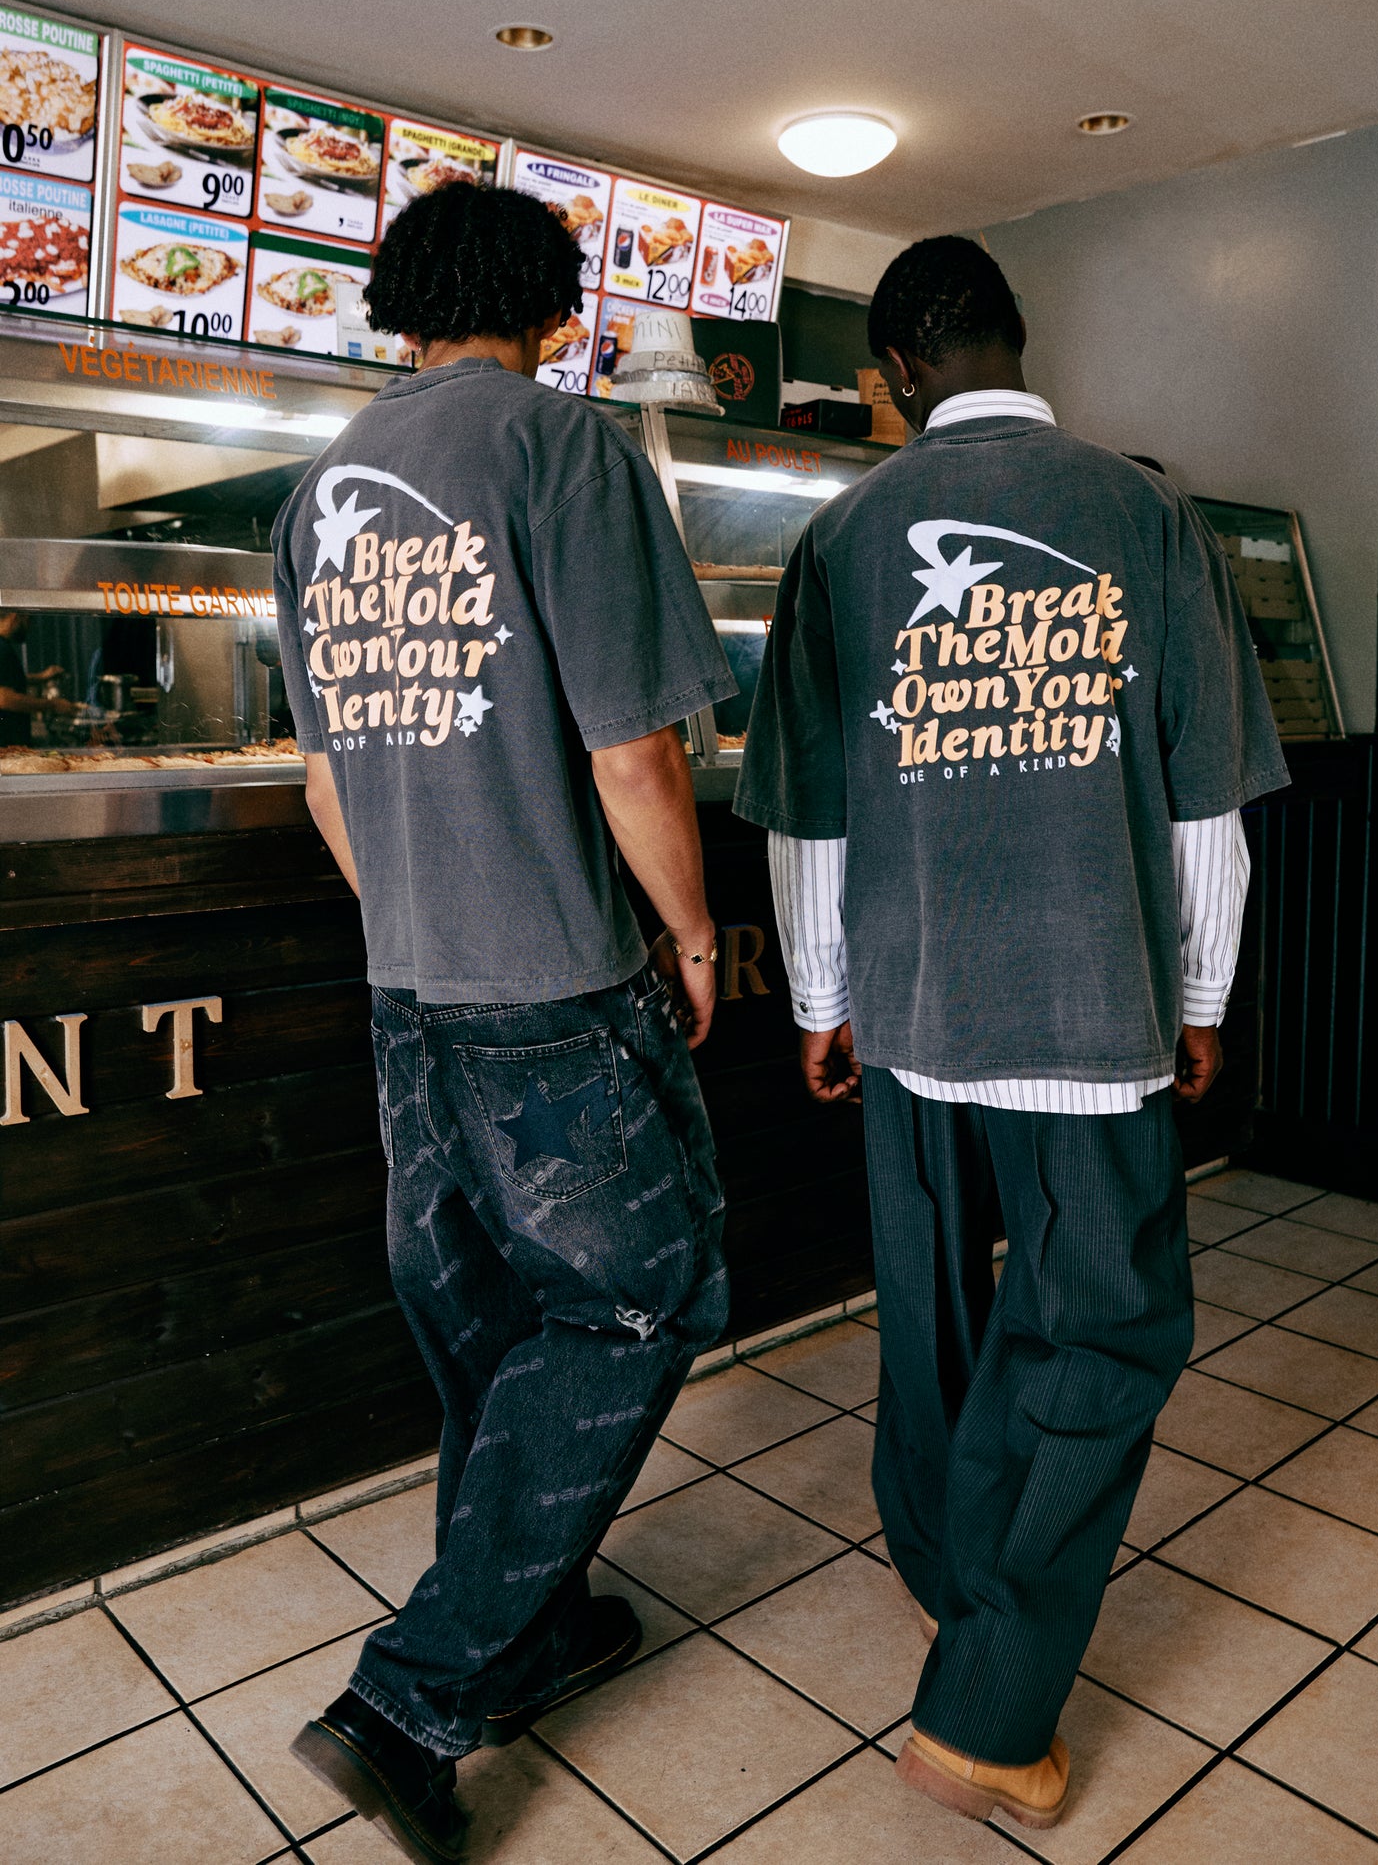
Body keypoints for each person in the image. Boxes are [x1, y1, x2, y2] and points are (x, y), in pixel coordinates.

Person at [734, 236, 1288, 1832]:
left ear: (897, 372)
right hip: (1089, 1009)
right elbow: (1202, 813)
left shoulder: (842, 536)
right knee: (1105, 1334)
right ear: (1013, 342)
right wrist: (1198, 1001)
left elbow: (813, 822)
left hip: (911, 1023)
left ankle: (950, 1577)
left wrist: (828, 999)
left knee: (935, 1320)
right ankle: (988, 1703)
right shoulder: (1144, 512)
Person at [272, 182, 734, 1865]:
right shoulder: (566, 448)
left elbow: (327, 772)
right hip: (552, 985)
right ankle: (412, 1697)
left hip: (409, 989)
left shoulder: (322, 489)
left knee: (489, 1327)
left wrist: (411, 908)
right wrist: (691, 930)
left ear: (400, 304)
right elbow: (635, 750)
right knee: (631, 1304)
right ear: (549, 310)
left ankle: (534, 1623)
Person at [0, 612, 78, 743]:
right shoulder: (2, 649)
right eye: (29, 620)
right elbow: (4, 698)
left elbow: (7, 679)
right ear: (15, 617)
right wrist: (52, 705)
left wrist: (41, 677)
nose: (30, 626)